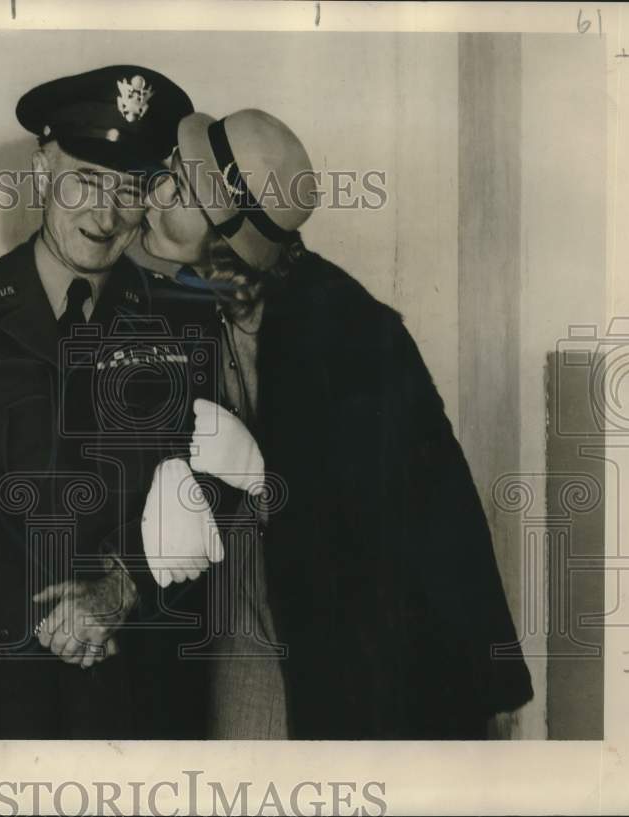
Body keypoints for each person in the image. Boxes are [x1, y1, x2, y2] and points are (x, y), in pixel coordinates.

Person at [139, 108, 535, 738]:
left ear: (224, 236)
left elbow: (438, 510)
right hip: (237, 624)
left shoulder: (349, 333)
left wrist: (496, 685)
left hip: (342, 644)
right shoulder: (178, 304)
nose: (151, 197)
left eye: (177, 189)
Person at [0, 65, 214, 739]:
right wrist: (44, 617)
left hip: (143, 676)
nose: (105, 214)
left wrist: (122, 586)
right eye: (85, 179)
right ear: (43, 171)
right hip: (1, 672)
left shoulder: (184, 318)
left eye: (130, 188)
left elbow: (208, 478)